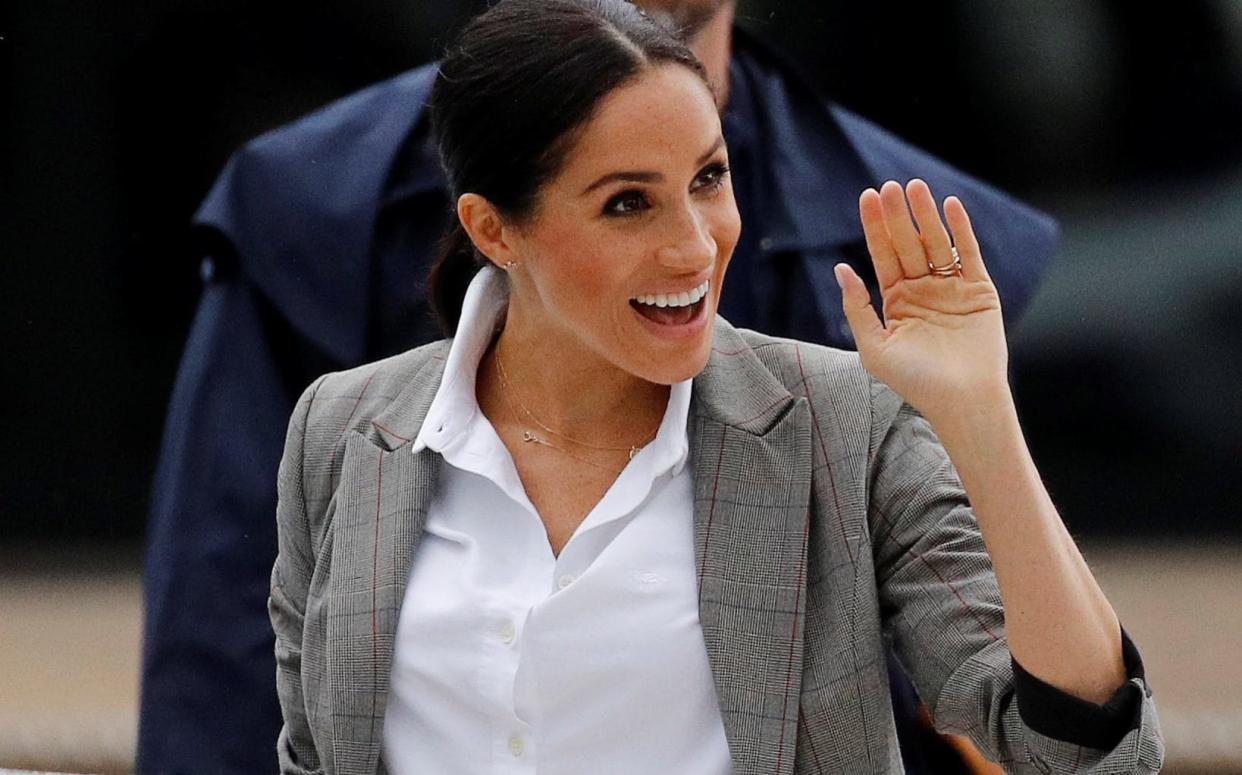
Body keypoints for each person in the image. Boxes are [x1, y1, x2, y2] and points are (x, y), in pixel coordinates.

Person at [138, 0, 1061, 771]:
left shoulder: (913, 257)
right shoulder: (318, 250)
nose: (693, 247)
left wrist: (979, 416)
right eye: (625, 201)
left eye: (709, 180)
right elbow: (225, 659)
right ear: (491, 230)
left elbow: (1052, 725)